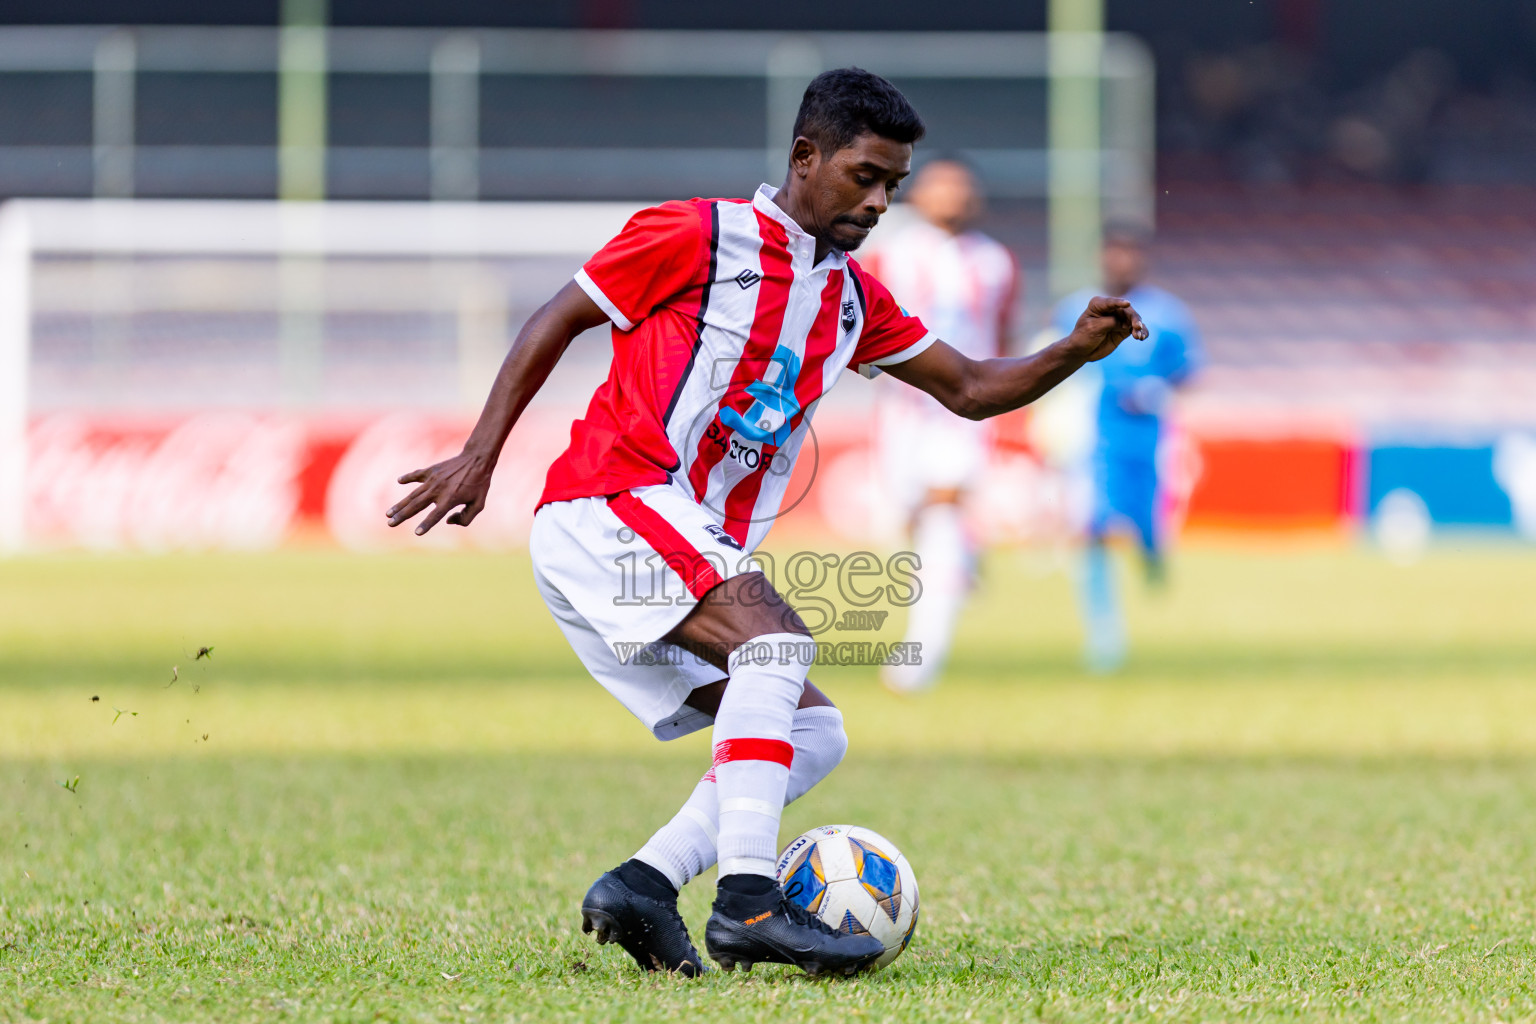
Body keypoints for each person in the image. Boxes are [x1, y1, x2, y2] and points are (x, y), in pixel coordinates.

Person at [387, 68, 1146, 978]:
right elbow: (562, 314)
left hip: (672, 537)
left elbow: (974, 389)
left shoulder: (853, 297)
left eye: (893, 185)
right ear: (805, 156)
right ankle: (748, 904)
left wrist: (1072, 350)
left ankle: (643, 884)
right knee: (776, 647)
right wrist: (483, 449)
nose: (878, 201)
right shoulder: (698, 233)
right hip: (613, 500)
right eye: (863, 175)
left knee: (816, 731)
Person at [862, 160, 1019, 692]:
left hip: (961, 413)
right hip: (900, 412)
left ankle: (919, 660)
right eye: (940, 186)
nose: (951, 196)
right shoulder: (891, 253)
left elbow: (1002, 337)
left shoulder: (996, 262)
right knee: (905, 523)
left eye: (961, 187)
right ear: (918, 194)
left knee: (942, 513)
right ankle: (961, 565)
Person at [1051, 226, 1203, 672]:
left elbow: (1189, 371)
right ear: (1101, 256)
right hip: (1092, 437)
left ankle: (1153, 557)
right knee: (1094, 526)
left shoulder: (1169, 315)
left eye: (1130, 254)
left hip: (1149, 439)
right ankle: (1104, 634)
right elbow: (1048, 360)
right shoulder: (1073, 311)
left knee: (1145, 525)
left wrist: (1158, 389)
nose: (1122, 262)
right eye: (1114, 253)